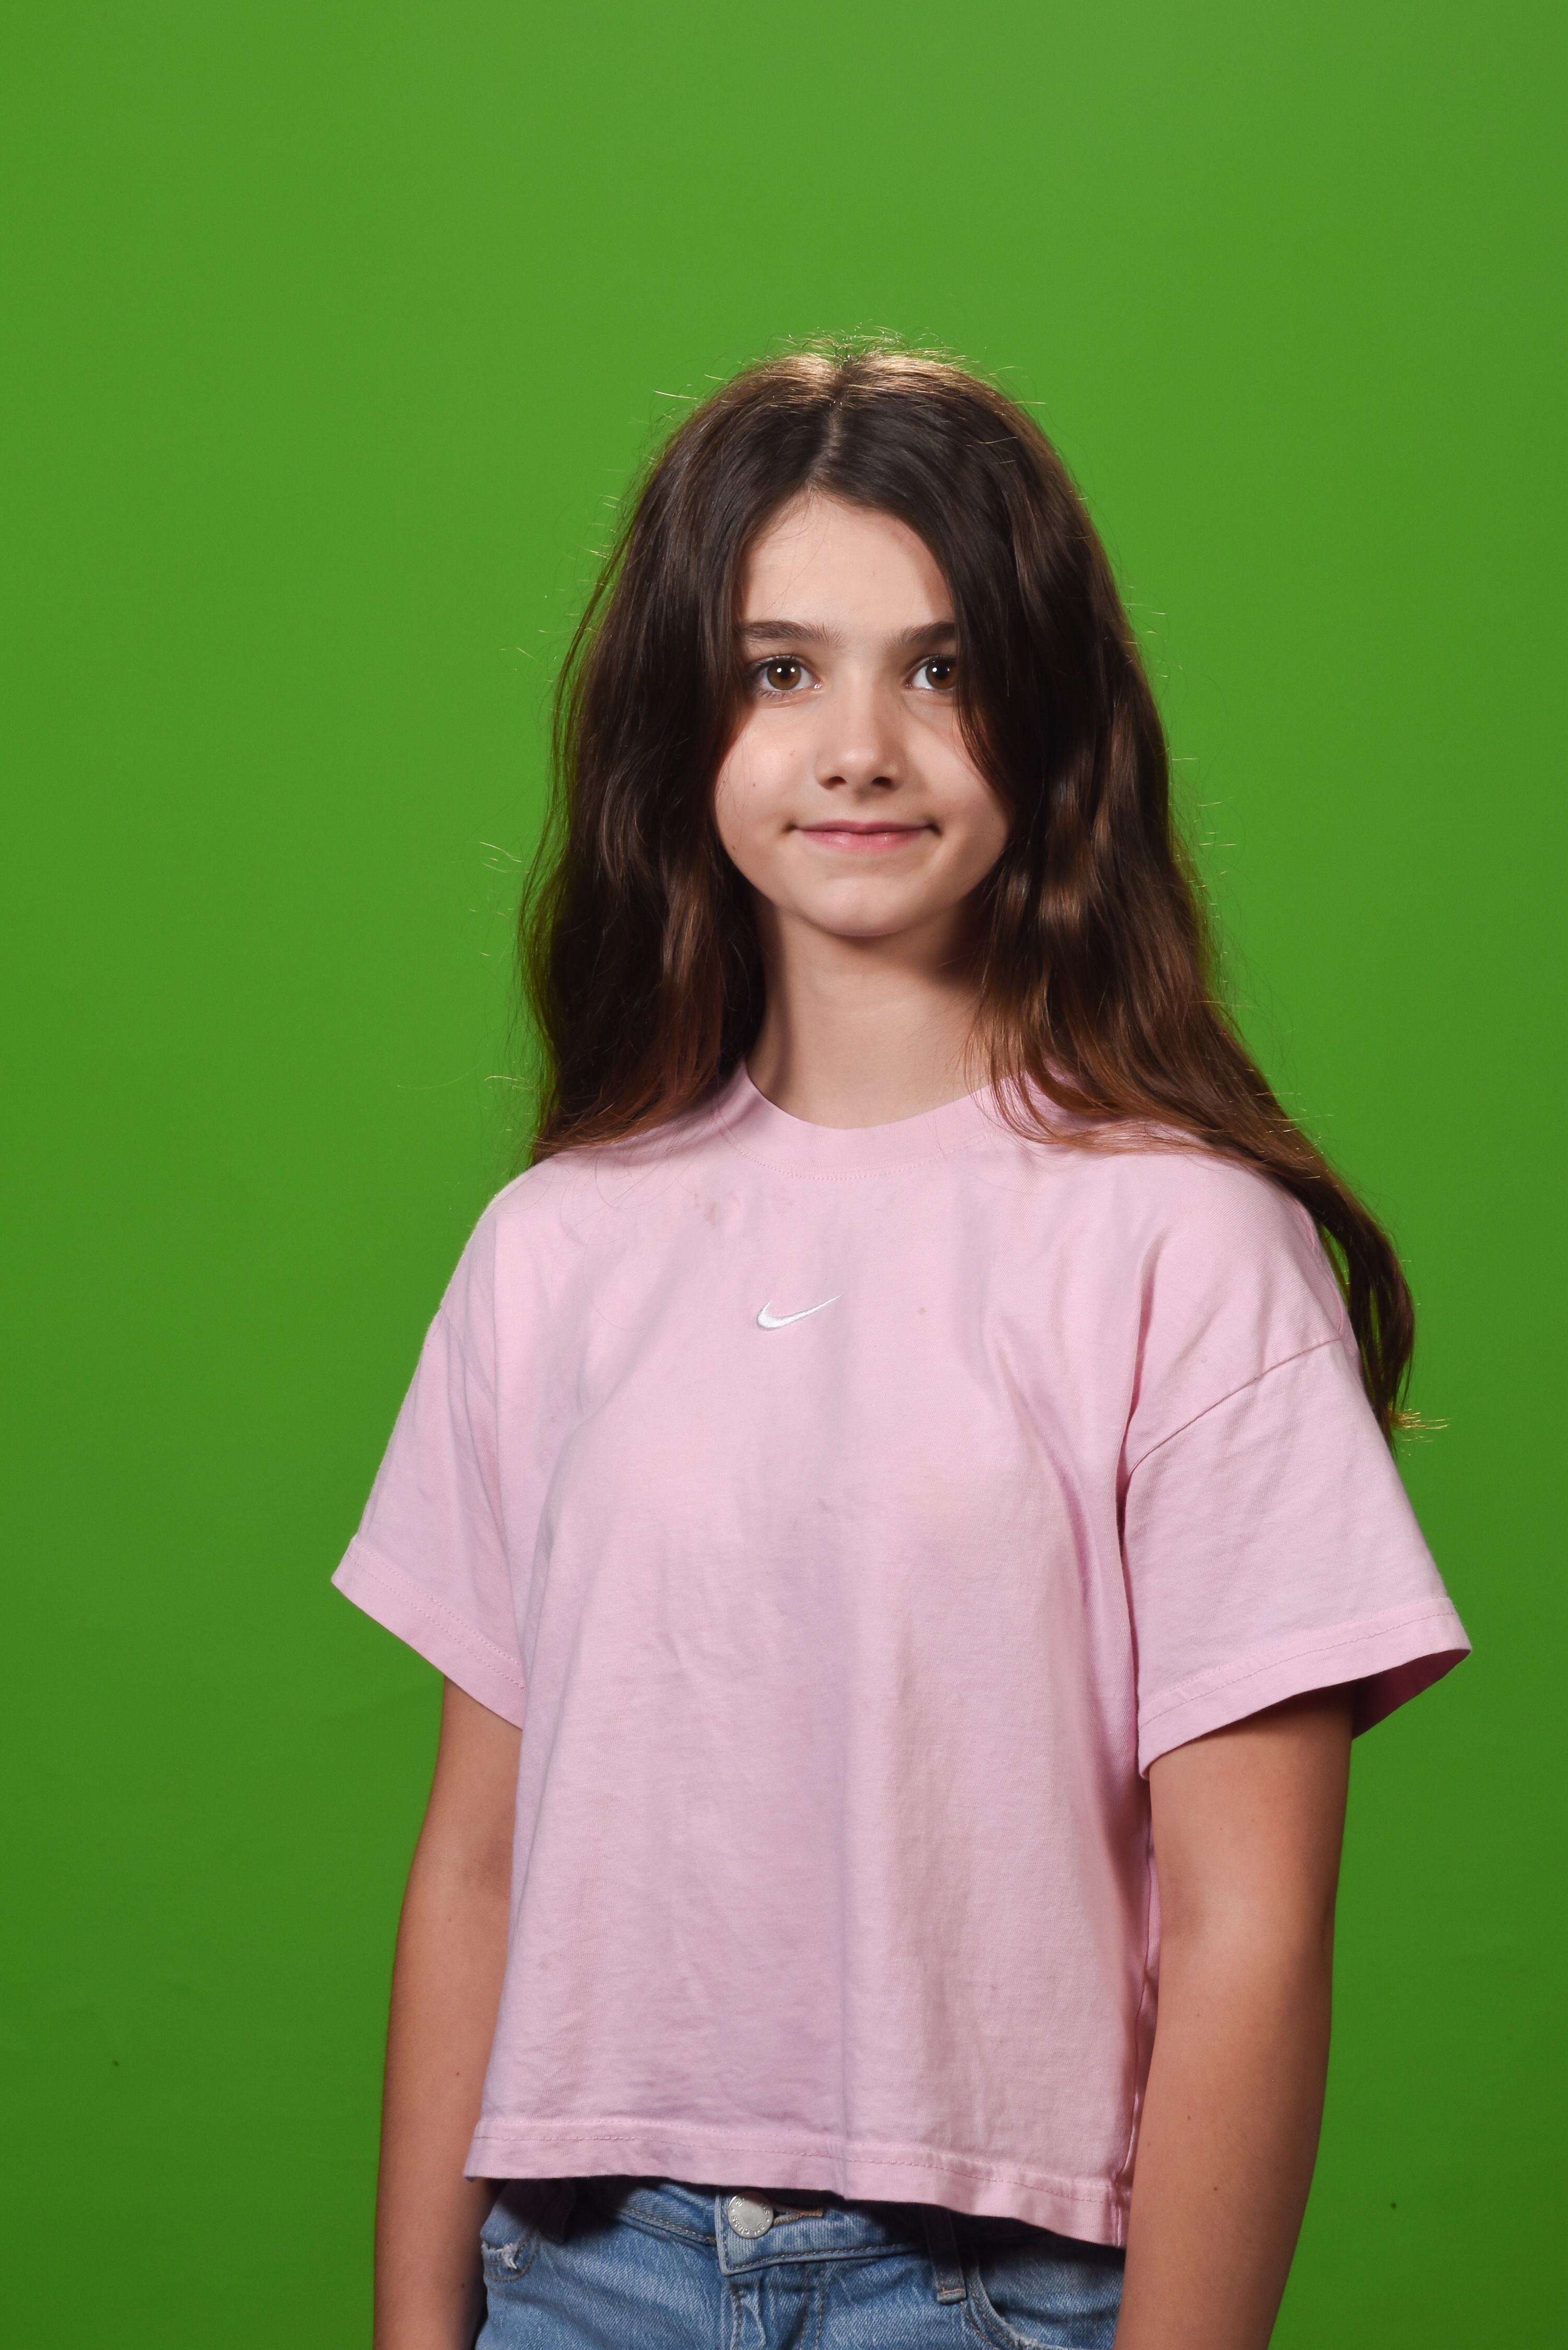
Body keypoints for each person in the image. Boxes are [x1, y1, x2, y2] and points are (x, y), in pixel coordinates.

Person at [335, 345, 1468, 2350]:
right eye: (781, 670)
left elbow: (1249, 1930)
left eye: (938, 670)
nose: (858, 747)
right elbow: (477, 1867)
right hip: (580, 2278)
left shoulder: (1190, 1250)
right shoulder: (553, 1251)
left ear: (1050, 718)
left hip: (992, 2295)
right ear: (683, 724)